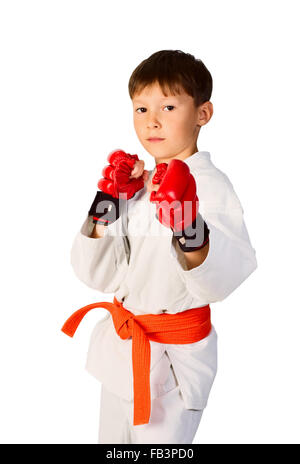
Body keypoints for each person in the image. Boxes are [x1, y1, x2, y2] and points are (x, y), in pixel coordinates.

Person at [61, 49, 257, 444]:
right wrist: (109, 201)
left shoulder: (210, 186)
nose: (152, 120)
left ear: (203, 113)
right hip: (123, 352)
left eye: (168, 106)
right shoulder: (137, 184)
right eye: (140, 108)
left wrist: (187, 224)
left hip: (172, 362)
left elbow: (222, 279)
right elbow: (98, 274)